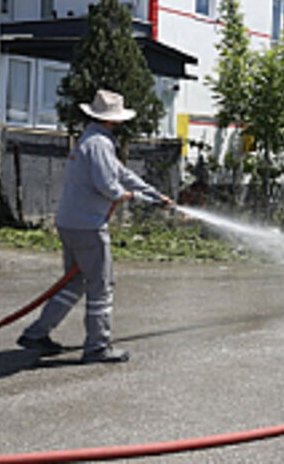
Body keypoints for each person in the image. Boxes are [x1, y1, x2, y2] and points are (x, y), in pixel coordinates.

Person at [17, 89, 174, 364]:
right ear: (114, 120)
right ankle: (98, 346)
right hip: (88, 226)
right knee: (102, 285)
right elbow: (108, 185)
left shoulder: (90, 140)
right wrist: (125, 195)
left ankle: (37, 333)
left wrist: (154, 196)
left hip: (71, 222)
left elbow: (122, 174)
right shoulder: (100, 143)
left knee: (75, 281)